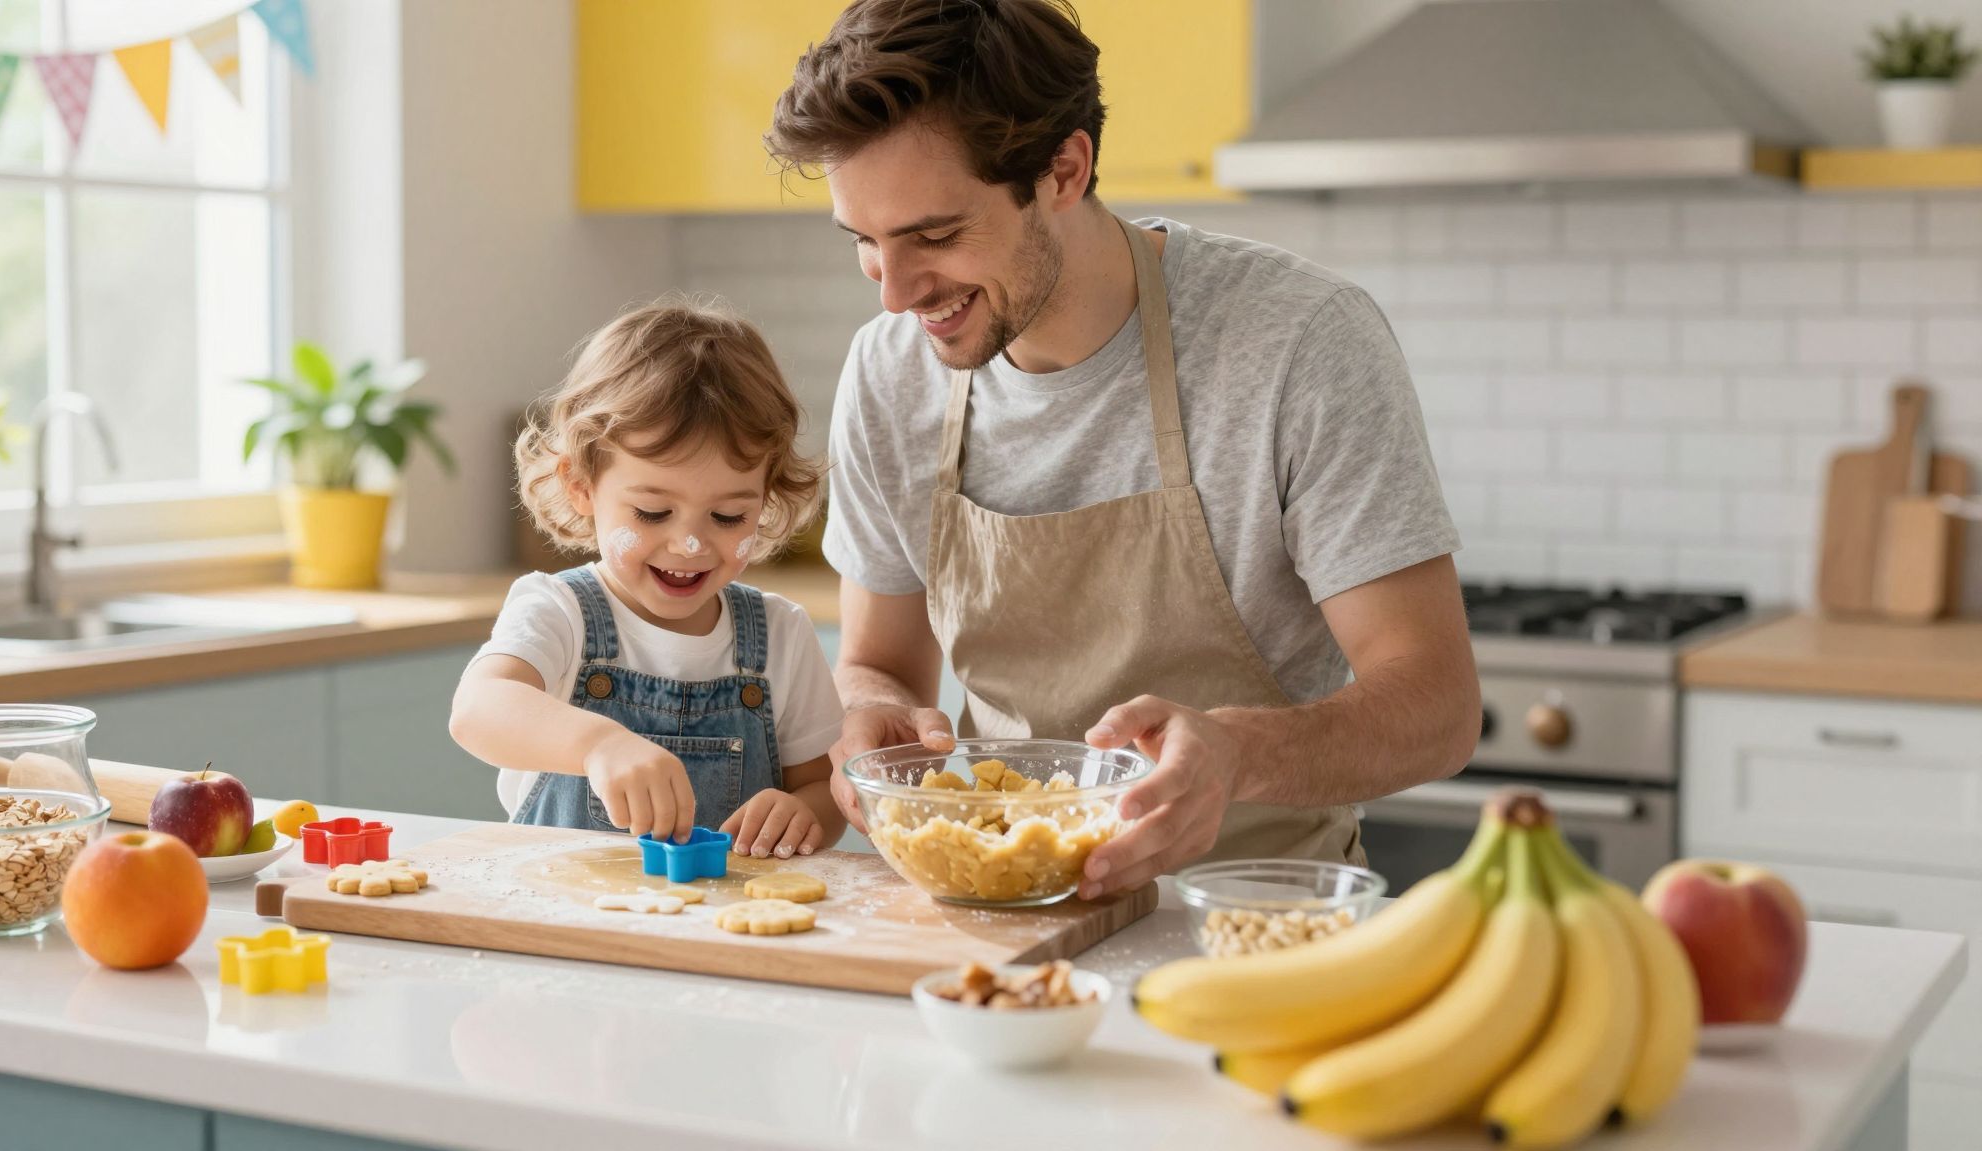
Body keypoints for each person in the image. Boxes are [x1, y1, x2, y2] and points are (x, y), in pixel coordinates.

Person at [766, 0, 1482, 899]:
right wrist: (869, 713)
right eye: (866, 245)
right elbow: (880, 662)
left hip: (1253, 920)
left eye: (935, 237)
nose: (897, 295)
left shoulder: (1298, 341)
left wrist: (1237, 756)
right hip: (1002, 916)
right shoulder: (889, 371)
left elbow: (1439, 710)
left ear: (1064, 169)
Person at [449, 301, 846, 859]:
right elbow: (477, 710)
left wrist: (806, 812)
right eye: (653, 513)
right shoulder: (559, 611)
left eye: (729, 516)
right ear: (581, 484)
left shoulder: (780, 634)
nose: (690, 545)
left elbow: (825, 787)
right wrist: (597, 744)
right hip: (565, 920)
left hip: (725, 927)